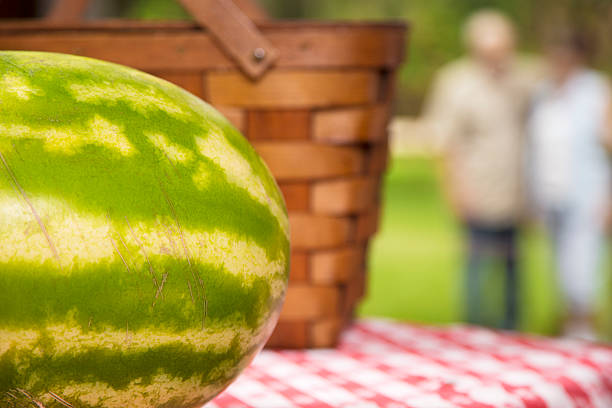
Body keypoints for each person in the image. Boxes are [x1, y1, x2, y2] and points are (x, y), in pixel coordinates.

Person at [425, 10, 538, 329]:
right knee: (477, 271)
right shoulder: (454, 82)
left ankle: (511, 333)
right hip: (476, 191)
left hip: (516, 193)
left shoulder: (524, 77)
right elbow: (443, 144)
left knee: (514, 272)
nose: (498, 58)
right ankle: (475, 332)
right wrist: (455, 191)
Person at [527, 31, 612, 339]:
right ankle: (569, 335)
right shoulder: (542, 93)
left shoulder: (597, 92)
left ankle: (587, 339)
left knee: (584, 271)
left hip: (587, 195)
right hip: (552, 195)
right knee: (562, 270)